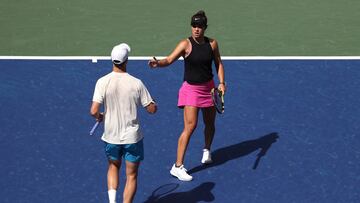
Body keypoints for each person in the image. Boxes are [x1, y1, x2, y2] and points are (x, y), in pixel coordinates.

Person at [148, 10, 226, 181]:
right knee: (190, 127)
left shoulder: (212, 44)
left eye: (200, 26)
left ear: (205, 27)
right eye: (194, 26)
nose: (196, 29)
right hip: (191, 90)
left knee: (210, 124)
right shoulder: (185, 44)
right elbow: (168, 60)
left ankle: (207, 150)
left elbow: (218, 63)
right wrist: (157, 63)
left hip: (210, 90)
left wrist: (221, 83)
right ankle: (177, 166)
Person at [90, 43, 157, 203]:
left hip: (111, 136)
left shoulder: (102, 82)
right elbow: (151, 110)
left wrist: (99, 116)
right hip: (132, 138)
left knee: (113, 167)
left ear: (113, 61)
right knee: (131, 175)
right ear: (126, 61)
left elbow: (93, 111)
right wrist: (153, 104)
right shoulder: (136, 83)